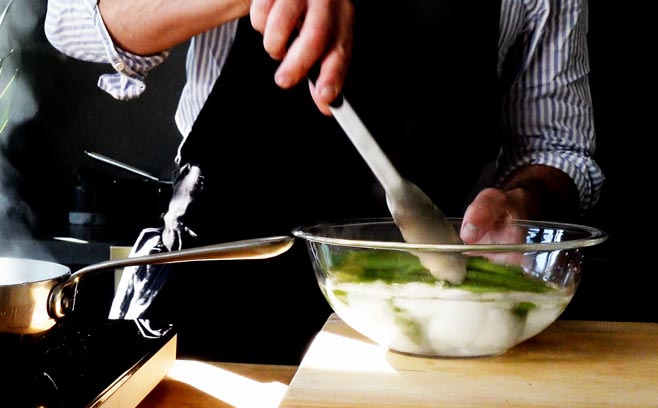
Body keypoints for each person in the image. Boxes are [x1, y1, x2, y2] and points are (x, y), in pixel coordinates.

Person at [44, 0, 604, 365]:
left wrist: (522, 202)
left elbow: (556, 149)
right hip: (216, 301)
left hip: (431, 323)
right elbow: (72, 21)